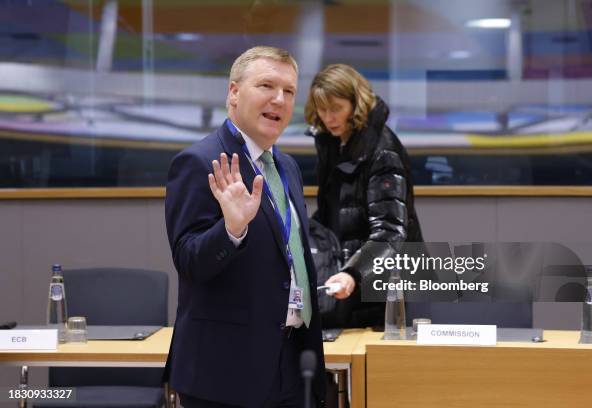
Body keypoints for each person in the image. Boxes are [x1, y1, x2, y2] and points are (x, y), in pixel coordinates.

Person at [165, 46, 326, 408]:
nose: (279, 99)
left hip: (292, 359)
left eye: (289, 91)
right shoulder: (200, 161)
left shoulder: (287, 166)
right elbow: (190, 261)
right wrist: (232, 230)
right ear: (234, 92)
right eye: (266, 85)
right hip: (226, 373)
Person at [305, 63, 423, 329]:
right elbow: (332, 213)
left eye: (336, 108)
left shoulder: (383, 151)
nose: (328, 117)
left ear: (356, 104)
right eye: (322, 109)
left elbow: (391, 231)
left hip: (387, 286)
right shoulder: (333, 142)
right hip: (347, 279)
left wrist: (352, 272)